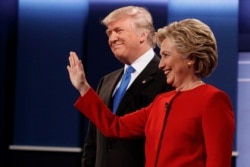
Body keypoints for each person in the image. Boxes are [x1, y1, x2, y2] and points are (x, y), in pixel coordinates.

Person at [67, 18, 235, 167]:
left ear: (190, 58)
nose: (161, 64)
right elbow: (115, 127)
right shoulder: (161, 101)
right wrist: (83, 87)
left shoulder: (213, 100)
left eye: (166, 55)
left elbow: (218, 163)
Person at [78, 6, 173, 167]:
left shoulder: (166, 77)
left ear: (142, 35)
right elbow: (93, 142)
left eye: (118, 31)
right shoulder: (106, 81)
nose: (112, 38)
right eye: (109, 33)